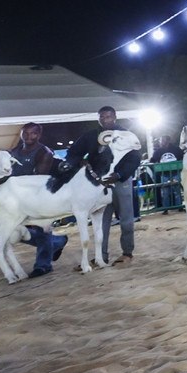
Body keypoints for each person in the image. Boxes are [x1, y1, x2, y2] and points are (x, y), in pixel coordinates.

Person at [63, 106, 142, 266]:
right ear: (98, 118)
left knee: (126, 218)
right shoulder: (91, 136)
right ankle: (101, 256)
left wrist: (119, 175)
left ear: (115, 117)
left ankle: (127, 252)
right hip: (98, 184)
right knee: (101, 221)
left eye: (109, 116)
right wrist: (79, 161)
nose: (105, 120)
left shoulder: (126, 135)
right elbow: (73, 152)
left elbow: (135, 158)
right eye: (102, 117)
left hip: (120, 181)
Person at [8, 122, 68, 277]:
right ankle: (58, 242)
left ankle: (43, 265)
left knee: (43, 231)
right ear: (21, 134)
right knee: (14, 232)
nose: (29, 136)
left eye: (33, 133)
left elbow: (39, 178)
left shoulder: (44, 152)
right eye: (25, 133)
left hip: (39, 197)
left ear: (39, 135)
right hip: (18, 197)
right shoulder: (15, 151)